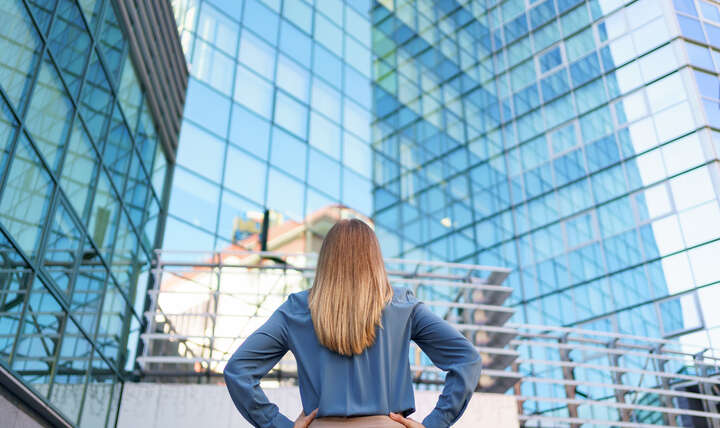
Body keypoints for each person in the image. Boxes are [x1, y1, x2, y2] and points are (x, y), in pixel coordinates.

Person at [223, 218, 483, 428]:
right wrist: (436, 423)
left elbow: (238, 371)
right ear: (374, 259)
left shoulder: (296, 309)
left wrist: (275, 424)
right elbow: (467, 359)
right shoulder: (402, 304)